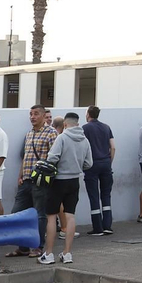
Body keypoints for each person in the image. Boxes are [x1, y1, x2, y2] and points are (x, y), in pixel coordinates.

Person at [38, 112, 93, 265]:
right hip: (74, 181)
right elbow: (89, 164)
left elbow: (52, 158)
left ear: (65, 124)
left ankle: (48, 254)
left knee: (51, 216)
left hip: (58, 181)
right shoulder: (85, 140)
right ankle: (67, 253)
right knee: (70, 216)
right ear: (77, 123)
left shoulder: (61, 137)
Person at [11, 105, 57, 257]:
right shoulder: (29, 133)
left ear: (44, 116)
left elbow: (55, 158)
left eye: (36, 114)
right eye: (31, 114)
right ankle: (22, 247)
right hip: (26, 180)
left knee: (39, 215)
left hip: (40, 182)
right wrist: (20, 175)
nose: (32, 117)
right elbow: (25, 157)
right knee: (17, 213)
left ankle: (37, 247)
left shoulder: (51, 133)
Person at [81, 106, 116, 237]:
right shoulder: (106, 127)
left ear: (88, 114)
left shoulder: (84, 128)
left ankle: (97, 227)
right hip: (106, 164)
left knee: (94, 196)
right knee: (106, 195)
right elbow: (113, 147)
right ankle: (107, 225)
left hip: (91, 165)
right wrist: (109, 162)